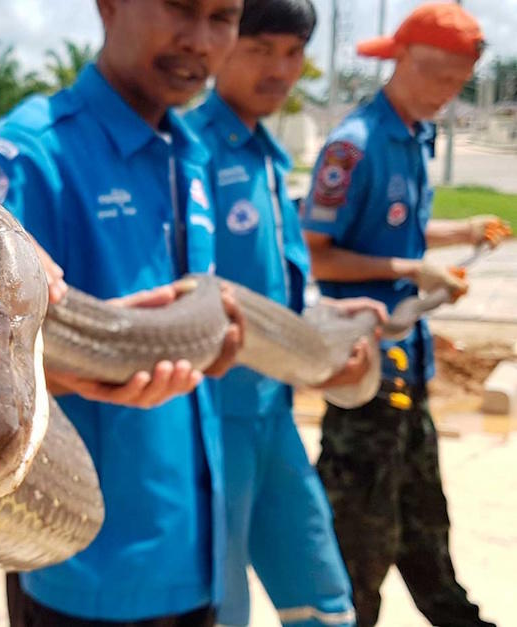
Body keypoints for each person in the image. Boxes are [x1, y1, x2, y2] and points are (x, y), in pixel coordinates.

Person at [0, 0, 247, 624]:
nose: (199, 40)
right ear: (108, 6)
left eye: (223, 17)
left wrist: (205, 345)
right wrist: (66, 369)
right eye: (180, 8)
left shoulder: (190, 151)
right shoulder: (25, 156)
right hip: (81, 566)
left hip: (193, 547)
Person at [301, 4, 510, 626]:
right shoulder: (355, 146)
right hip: (362, 373)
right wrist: (415, 272)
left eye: (460, 78)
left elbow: (400, 234)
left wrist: (461, 232)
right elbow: (320, 257)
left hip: (408, 369)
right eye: (438, 74)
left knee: (426, 529)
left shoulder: (418, 135)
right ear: (400, 61)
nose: (448, 90)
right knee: (358, 545)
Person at [183, 1, 391, 624]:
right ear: (221, 48)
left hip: (274, 414)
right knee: (222, 608)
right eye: (260, 49)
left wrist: (325, 316)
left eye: (293, 53)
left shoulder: (270, 160)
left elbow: (284, 291)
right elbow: (189, 299)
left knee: (325, 599)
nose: (280, 69)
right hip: (210, 421)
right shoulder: (187, 151)